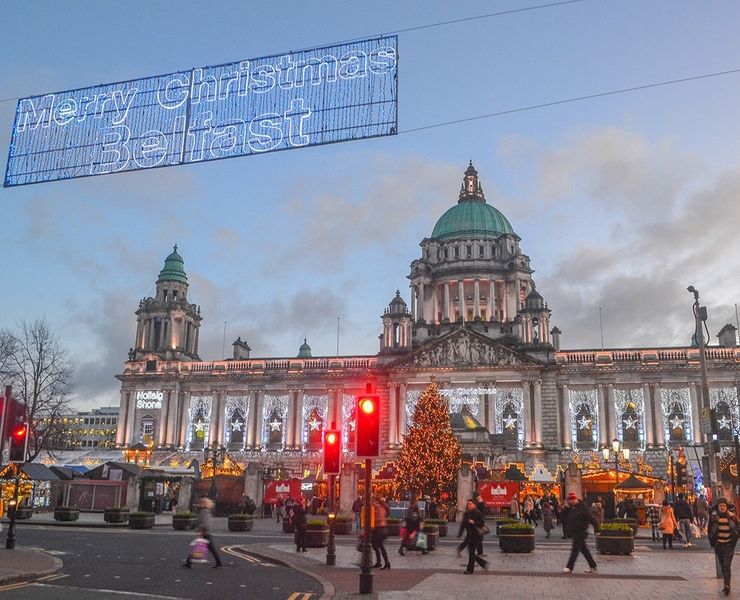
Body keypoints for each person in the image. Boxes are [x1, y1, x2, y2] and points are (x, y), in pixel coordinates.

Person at [562, 492, 598, 574]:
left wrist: (597, 530)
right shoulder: (571, 508)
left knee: (575, 550)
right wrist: (565, 509)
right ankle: (593, 566)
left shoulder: (583, 507)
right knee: (584, 550)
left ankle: (569, 567)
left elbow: (592, 519)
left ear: (574, 500)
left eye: (570, 501)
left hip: (581, 532)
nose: (569, 502)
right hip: (575, 532)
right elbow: (563, 518)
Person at [709, 497, 739, 595]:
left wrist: (733, 543)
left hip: (728, 545)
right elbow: (710, 530)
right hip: (719, 545)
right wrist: (713, 543)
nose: (722, 507)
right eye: (720, 506)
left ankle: (727, 585)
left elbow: (737, 529)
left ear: (726, 507)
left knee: (727, 565)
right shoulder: (713, 517)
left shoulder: (732, 516)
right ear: (717, 507)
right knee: (722, 565)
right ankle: (725, 584)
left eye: (724, 506)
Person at [184, 497, 222, 568]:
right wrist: (191, 526)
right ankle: (188, 562)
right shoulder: (203, 511)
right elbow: (198, 521)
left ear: (203, 504)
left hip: (205, 533)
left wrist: (201, 531)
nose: (199, 504)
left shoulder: (205, 511)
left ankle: (188, 562)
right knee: (200, 547)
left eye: (200, 503)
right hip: (205, 532)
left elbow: (205, 522)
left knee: (201, 547)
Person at [458, 499, 488, 574]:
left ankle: (470, 570)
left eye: (470, 504)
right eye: (468, 504)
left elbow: (482, 523)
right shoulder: (466, 513)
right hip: (469, 536)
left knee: (471, 553)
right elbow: (463, 524)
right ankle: (482, 563)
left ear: (474, 505)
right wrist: (460, 534)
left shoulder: (477, 513)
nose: (469, 505)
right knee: (471, 553)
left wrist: (474, 522)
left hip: (477, 536)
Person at [371, 495, 390, 569]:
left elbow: (379, 518)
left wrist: (373, 520)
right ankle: (381, 562)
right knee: (376, 546)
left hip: (380, 529)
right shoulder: (377, 507)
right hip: (378, 529)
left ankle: (385, 562)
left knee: (379, 546)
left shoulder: (378, 507)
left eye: (372, 501)